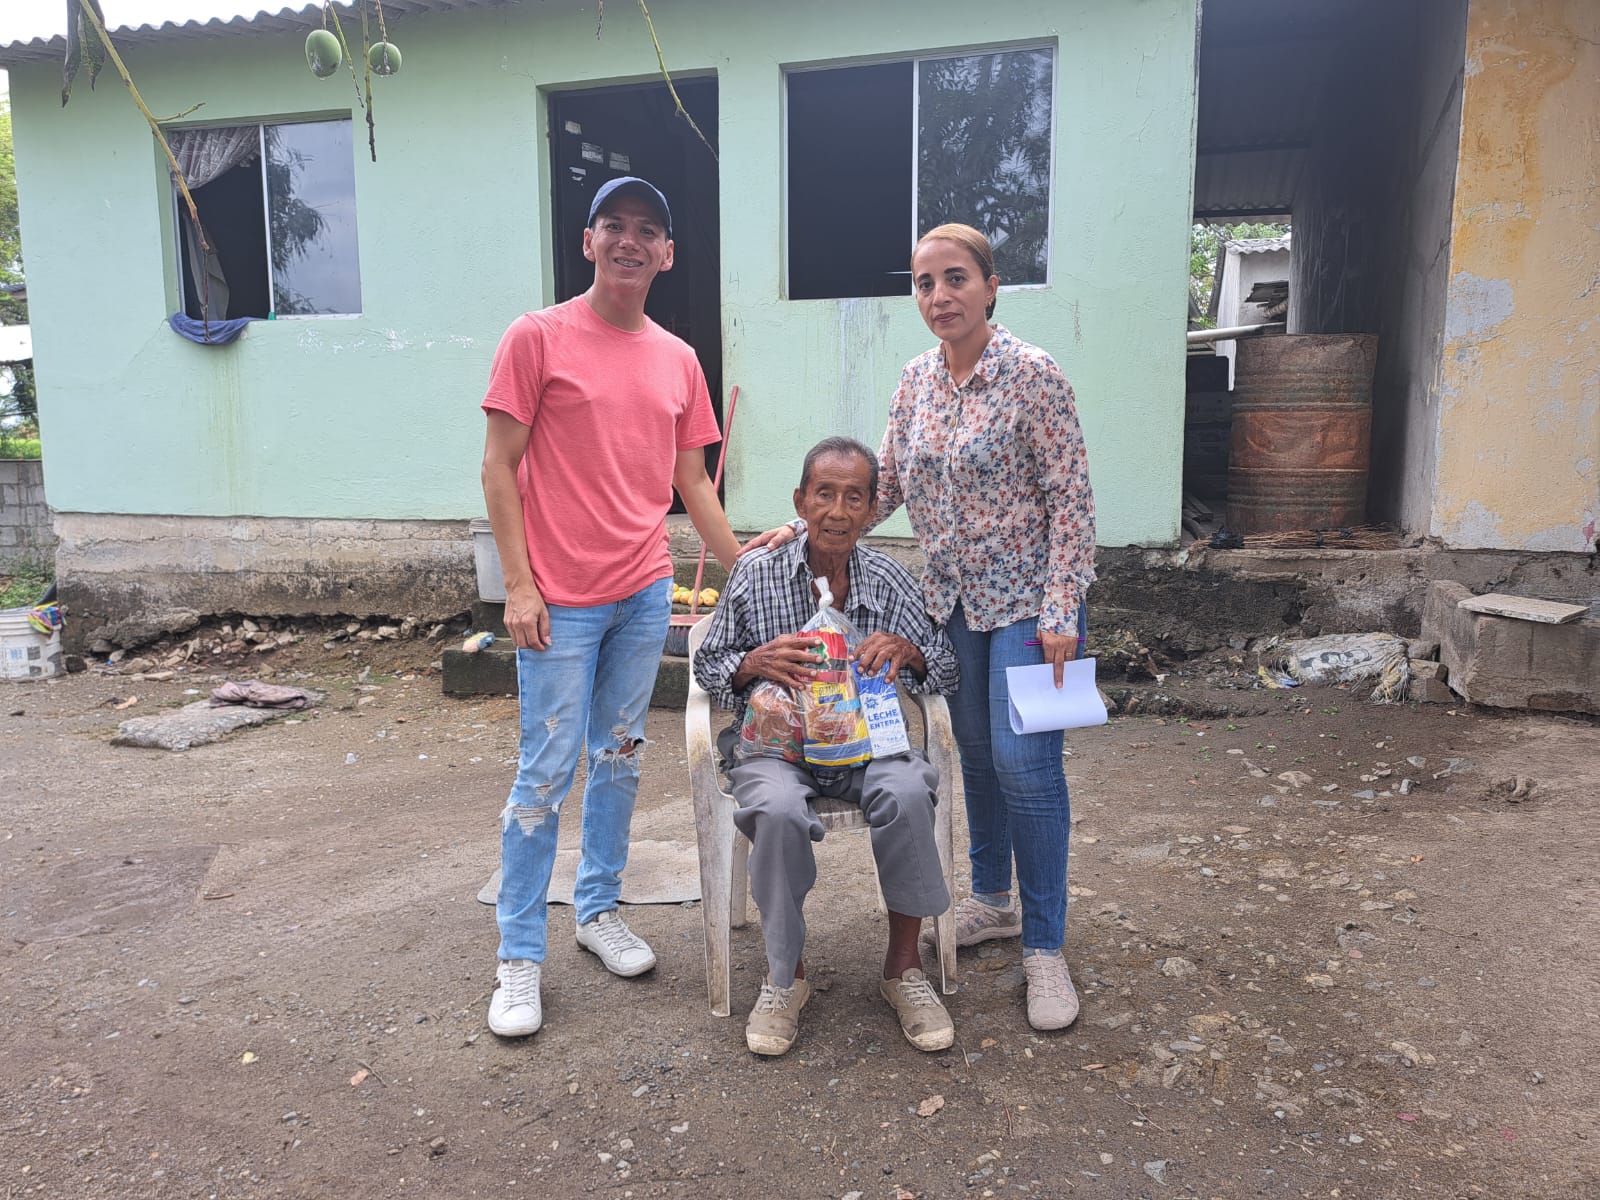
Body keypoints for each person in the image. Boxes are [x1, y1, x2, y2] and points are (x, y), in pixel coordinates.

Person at [744, 225, 1095, 1031]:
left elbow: (1072, 497)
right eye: (925, 283)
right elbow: (885, 486)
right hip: (952, 603)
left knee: (1027, 766)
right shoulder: (915, 382)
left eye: (956, 278)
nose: (939, 296)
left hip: (1032, 606)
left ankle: (1045, 946)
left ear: (991, 286)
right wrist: (799, 529)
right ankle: (993, 900)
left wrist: (1061, 610)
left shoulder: (1035, 374)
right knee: (975, 753)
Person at [479, 176, 741, 1038]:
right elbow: (498, 466)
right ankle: (520, 955)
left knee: (621, 757)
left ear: (668, 255)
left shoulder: (678, 359)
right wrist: (519, 585)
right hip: (559, 602)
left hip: (642, 592)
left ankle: (597, 911)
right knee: (545, 773)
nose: (631, 241)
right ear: (588, 242)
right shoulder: (537, 337)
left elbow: (692, 481)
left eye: (648, 230)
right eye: (614, 226)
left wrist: (746, 568)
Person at [694, 437, 961, 1057]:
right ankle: (786, 976)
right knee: (775, 809)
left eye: (854, 498)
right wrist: (752, 663)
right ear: (801, 502)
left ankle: (904, 970)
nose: (838, 511)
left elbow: (946, 670)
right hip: (776, 752)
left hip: (869, 749)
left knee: (908, 789)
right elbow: (707, 664)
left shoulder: (890, 581)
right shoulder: (756, 574)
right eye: (825, 494)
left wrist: (910, 652)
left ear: (871, 510)